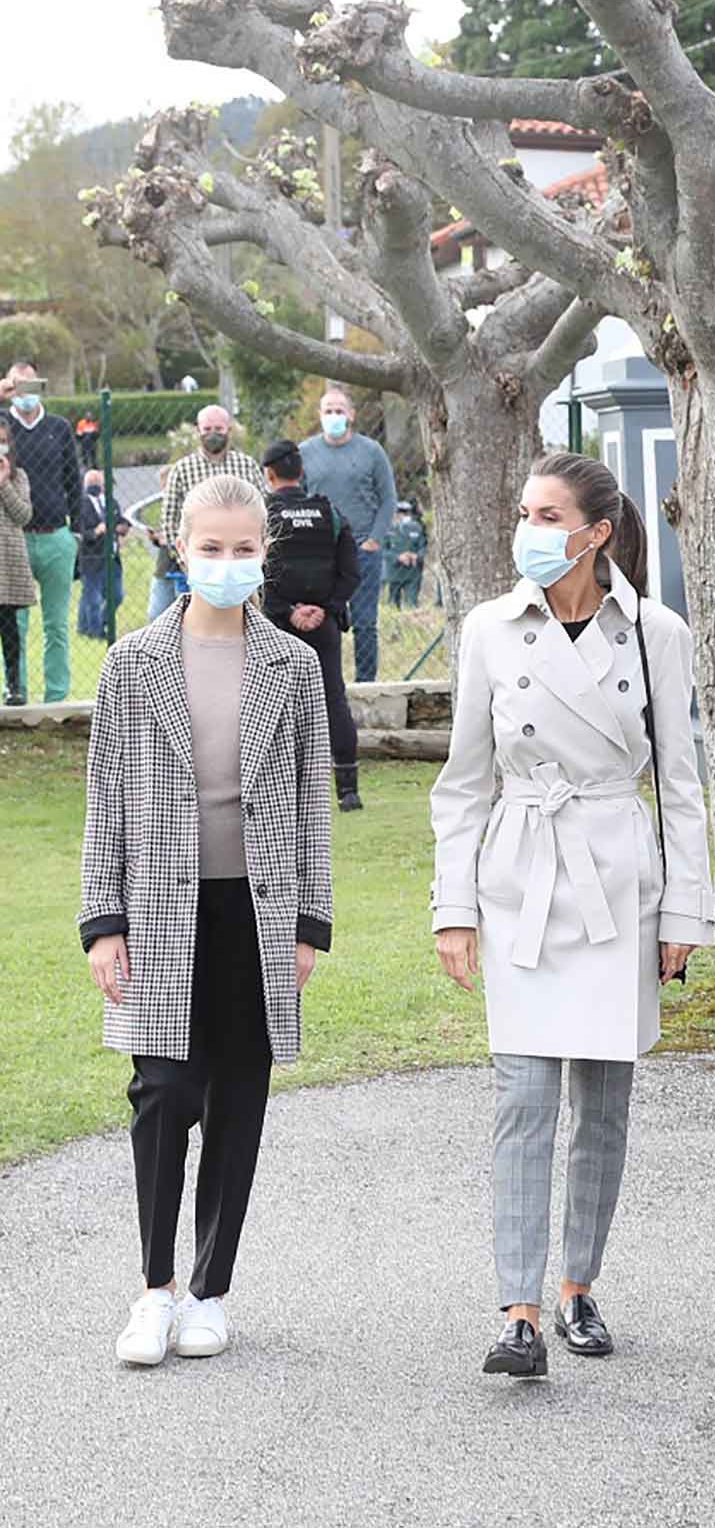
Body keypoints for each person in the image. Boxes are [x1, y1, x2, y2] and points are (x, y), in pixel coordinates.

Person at [431, 450, 715, 1379]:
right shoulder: (487, 628)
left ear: (596, 534)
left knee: (601, 1103)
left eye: (549, 516)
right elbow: (462, 784)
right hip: (522, 878)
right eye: (524, 512)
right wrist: (454, 907)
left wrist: (686, 913)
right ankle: (517, 1307)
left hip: (614, 878)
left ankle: (578, 1290)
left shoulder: (656, 634)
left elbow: (681, 784)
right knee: (521, 1098)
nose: (530, 532)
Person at [79, 473, 332, 1368]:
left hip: (254, 910)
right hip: (157, 907)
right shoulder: (130, 662)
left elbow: (311, 800)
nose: (227, 563)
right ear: (179, 551)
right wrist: (103, 920)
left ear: (265, 555)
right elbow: (105, 795)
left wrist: (308, 923)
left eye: (243, 548)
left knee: (238, 1097)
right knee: (164, 1094)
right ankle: (153, 1289)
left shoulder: (293, 666)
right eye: (210, 548)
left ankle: (211, 1289)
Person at [262, 438, 363, 812]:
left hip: (277, 625)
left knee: (275, 702)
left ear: (269, 474)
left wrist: (287, 611)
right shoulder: (330, 513)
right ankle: (348, 790)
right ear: (301, 472)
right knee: (333, 698)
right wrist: (327, 608)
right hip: (324, 625)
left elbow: (258, 573)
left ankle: (284, 789)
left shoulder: (264, 517)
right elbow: (351, 570)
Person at [300, 388, 396, 682]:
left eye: (339, 410)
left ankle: (367, 682)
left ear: (351, 415)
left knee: (365, 622)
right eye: (328, 410)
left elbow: (388, 498)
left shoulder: (371, 452)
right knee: (324, 619)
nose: (333, 416)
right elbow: (298, 498)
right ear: (319, 415)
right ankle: (326, 682)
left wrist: (374, 540)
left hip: (362, 548)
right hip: (321, 552)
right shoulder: (304, 453)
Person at [0, 358, 80, 702]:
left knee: (56, 626)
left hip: (55, 538)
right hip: (11, 541)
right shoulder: (2, 426)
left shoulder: (59, 427)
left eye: (30, 385)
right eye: (18, 387)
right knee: (13, 625)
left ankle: (56, 699)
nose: (25, 394)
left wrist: (77, 531)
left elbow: (73, 480)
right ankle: (17, 692)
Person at [159, 405, 264, 559]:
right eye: (207, 429)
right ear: (198, 431)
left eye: (218, 428)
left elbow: (264, 510)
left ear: (229, 430)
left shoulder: (248, 465)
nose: (212, 434)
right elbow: (169, 520)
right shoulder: (182, 469)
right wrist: (183, 558)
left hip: (241, 556)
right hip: (201, 558)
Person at [0, 415, 35, 706]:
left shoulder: (18, 477)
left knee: (9, 627)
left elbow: (23, 515)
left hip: (7, 561)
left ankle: (14, 685)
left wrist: (3, 484)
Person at [76, 470, 129, 640]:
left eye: (99, 484)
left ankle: (100, 623)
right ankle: (95, 632)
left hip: (112, 556)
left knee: (117, 595)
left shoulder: (110, 503)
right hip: (91, 558)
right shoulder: (80, 505)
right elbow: (78, 532)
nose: (98, 488)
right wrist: (95, 532)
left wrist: (122, 528)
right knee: (93, 598)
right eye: (94, 484)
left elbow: (119, 520)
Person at [147, 463, 181, 621]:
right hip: (165, 565)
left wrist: (171, 537)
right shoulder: (161, 506)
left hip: (184, 568)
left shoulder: (189, 505)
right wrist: (156, 538)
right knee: (156, 614)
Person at [383, 500, 427, 608]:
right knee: (393, 604)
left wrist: (417, 556)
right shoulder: (388, 529)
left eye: (406, 512)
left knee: (412, 604)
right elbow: (383, 550)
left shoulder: (417, 527)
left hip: (413, 571)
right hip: (394, 572)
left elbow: (423, 546)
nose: (403, 516)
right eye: (400, 512)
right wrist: (398, 557)